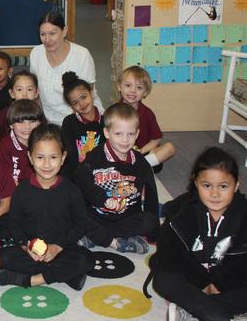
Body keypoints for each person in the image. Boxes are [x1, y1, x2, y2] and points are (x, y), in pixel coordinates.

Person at [150, 147, 247, 321]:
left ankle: (192, 310)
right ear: (196, 183)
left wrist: (218, 284)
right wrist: (204, 283)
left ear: (236, 185)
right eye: (207, 185)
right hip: (192, 280)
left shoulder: (243, 214)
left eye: (223, 186)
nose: (215, 194)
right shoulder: (182, 210)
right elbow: (168, 254)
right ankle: (216, 313)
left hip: (228, 283)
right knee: (163, 280)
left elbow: (242, 264)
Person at [0, 124, 94, 291]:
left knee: (86, 259)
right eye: (40, 157)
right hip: (30, 250)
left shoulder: (72, 190)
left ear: (63, 158)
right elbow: (14, 222)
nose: (47, 164)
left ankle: (33, 280)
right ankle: (68, 276)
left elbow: (81, 224)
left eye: (53, 157)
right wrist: (25, 246)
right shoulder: (22, 190)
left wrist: (58, 246)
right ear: (30, 158)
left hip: (62, 248)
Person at [73, 103, 159, 254]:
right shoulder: (95, 156)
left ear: (137, 134)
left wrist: (154, 235)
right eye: (118, 134)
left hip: (125, 217)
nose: (125, 140)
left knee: (150, 221)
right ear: (106, 132)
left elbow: (151, 194)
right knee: (73, 212)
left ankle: (96, 237)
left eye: (130, 134)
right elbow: (80, 178)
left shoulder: (140, 163)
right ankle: (113, 239)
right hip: (96, 215)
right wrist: (103, 199)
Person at [29, 11, 103, 124]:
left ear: (64, 31)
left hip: (81, 117)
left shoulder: (81, 55)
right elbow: (35, 92)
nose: (47, 39)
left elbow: (86, 97)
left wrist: (75, 126)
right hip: (50, 119)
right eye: (42, 34)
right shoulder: (36, 54)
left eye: (52, 33)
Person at [118, 66, 175, 172]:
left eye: (139, 88)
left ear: (145, 93)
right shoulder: (113, 111)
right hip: (119, 152)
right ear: (119, 87)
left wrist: (141, 151)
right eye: (128, 85)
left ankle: (138, 167)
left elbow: (156, 139)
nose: (133, 90)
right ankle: (138, 169)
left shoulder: (148, 113)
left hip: (142, 153)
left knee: (169, 148)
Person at [60, 71, 105, 178]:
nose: (81, 104)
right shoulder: (69, 122)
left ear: (92, 93)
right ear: (71, 107)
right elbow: (70, 155)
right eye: (75, 103)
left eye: (84, 97)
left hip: (102, 174)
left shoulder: (107, 121)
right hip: (76, 175)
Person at [0, 99, 46, 185]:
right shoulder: (4, 146)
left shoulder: (45, 143)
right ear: (11, 124)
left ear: (39, 123)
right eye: (20, 122)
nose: (27, 127)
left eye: (32, 121)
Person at [0, 70, 41, 137]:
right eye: (19, 89)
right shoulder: (3, 115)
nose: (24, 94)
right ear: (11, 93)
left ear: (36, 93)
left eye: (29, 89)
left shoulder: (39, 114)